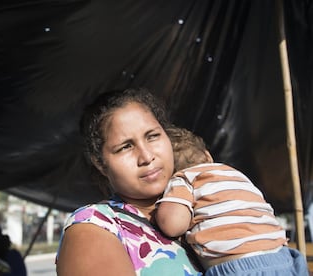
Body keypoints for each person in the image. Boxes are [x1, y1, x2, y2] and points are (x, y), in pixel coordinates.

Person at [56, 88, 203, 275]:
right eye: (126, 147)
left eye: (153, 136)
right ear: (100, 163)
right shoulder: (95, 226)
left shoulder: (204, 204)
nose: (147, 157)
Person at [155, 127, 309, 275]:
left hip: (241, 268)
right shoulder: (235, 174)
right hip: (285, 258)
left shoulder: (184, 178)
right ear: (208, 156)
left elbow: (173, 225)